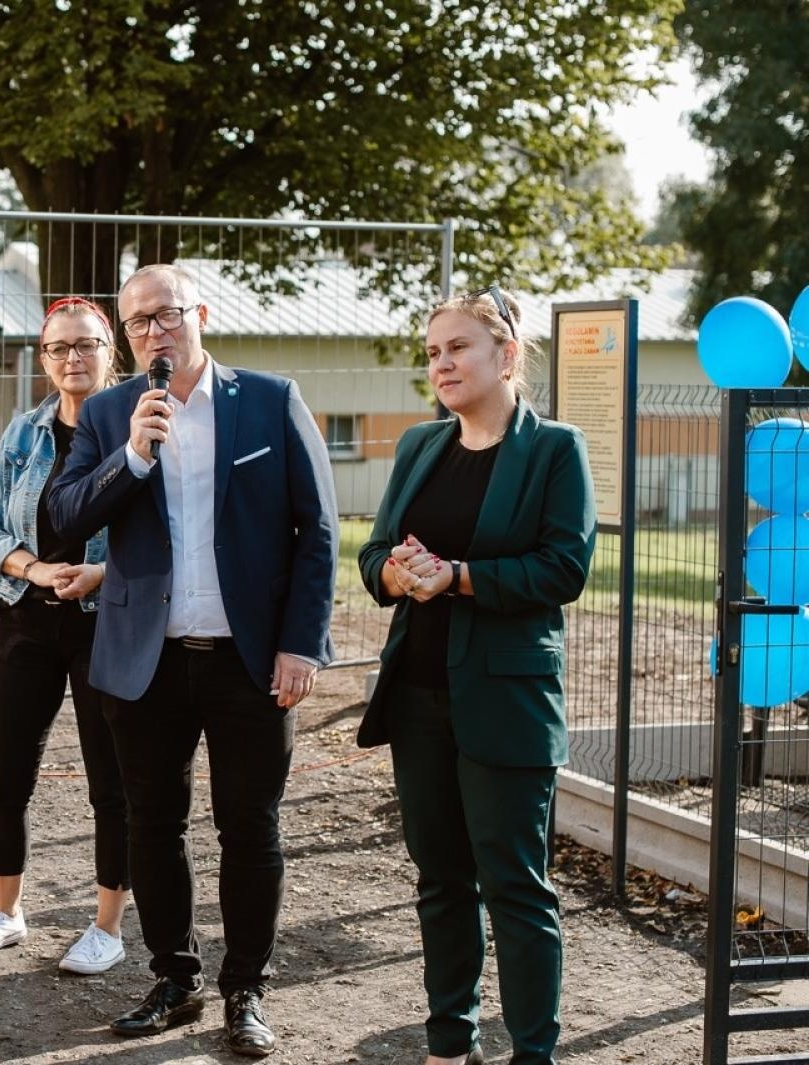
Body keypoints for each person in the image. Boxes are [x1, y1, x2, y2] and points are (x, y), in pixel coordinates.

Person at [47, 263, 339, 1057]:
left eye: (166, 315)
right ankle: (175, 978)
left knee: (250, 825)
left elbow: (318, 532)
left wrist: (300, 642)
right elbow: (63, 514)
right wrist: (133, 458)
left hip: (251, 659)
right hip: (147, 658)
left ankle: (246, 988)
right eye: (138, 323)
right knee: (152, 824)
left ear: (199, 313)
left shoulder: (270, 401)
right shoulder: (109, 413)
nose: (154, 333)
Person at [356, 286, 595, 1065]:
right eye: (433, 352)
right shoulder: (420, 448)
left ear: (506, 354)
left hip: (506, 701)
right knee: (441, 881)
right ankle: (448, 1045)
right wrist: (395, 573)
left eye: (458, 347)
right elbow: (374, 553)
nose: (443, 363)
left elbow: (564, 567)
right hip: (420, 696)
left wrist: (457, 576)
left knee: (517, 889)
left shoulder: (555, 449)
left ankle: (533, 1053)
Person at [0, 296, 130, 973]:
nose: (73, 358)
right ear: (44, 357)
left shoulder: (135, 426)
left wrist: (101, 572)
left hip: (107, 621)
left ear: (109, 351)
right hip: (27, 614)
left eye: (86, 345)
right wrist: (32, 565)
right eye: (60, 348)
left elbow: (165, 533)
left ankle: (107, 927)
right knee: (6, 774)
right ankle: (6, 910)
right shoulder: (25, 433)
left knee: (109, 782)